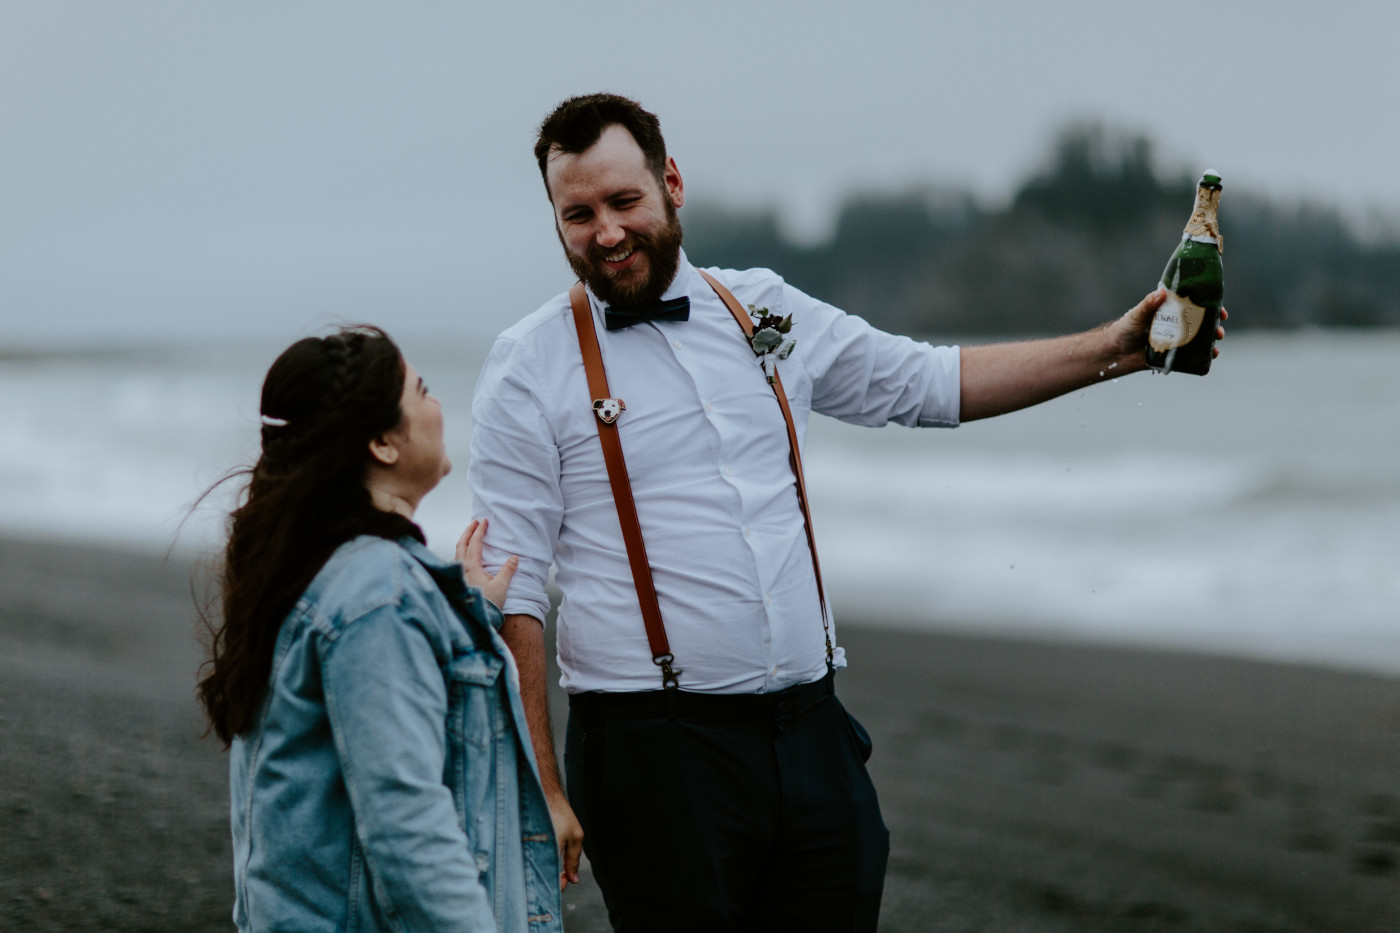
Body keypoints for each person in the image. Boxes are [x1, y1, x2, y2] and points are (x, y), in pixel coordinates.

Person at [467, 94, 1226, 932]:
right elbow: (514, 590)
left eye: (623, 202)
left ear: (671, 182)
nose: (605, 232)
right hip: (654, 754)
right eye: (578, 214)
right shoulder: (528, 366)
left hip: (811, 731)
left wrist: (1117, 348)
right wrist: (542, 784)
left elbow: (929, 382)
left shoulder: (761, 309)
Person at [196, 326, 563, 933]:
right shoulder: (379, 595)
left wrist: (472, 612)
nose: (438, 405)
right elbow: (406, 822)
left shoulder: (321, 567)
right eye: (421, 391)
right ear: (383, 443)